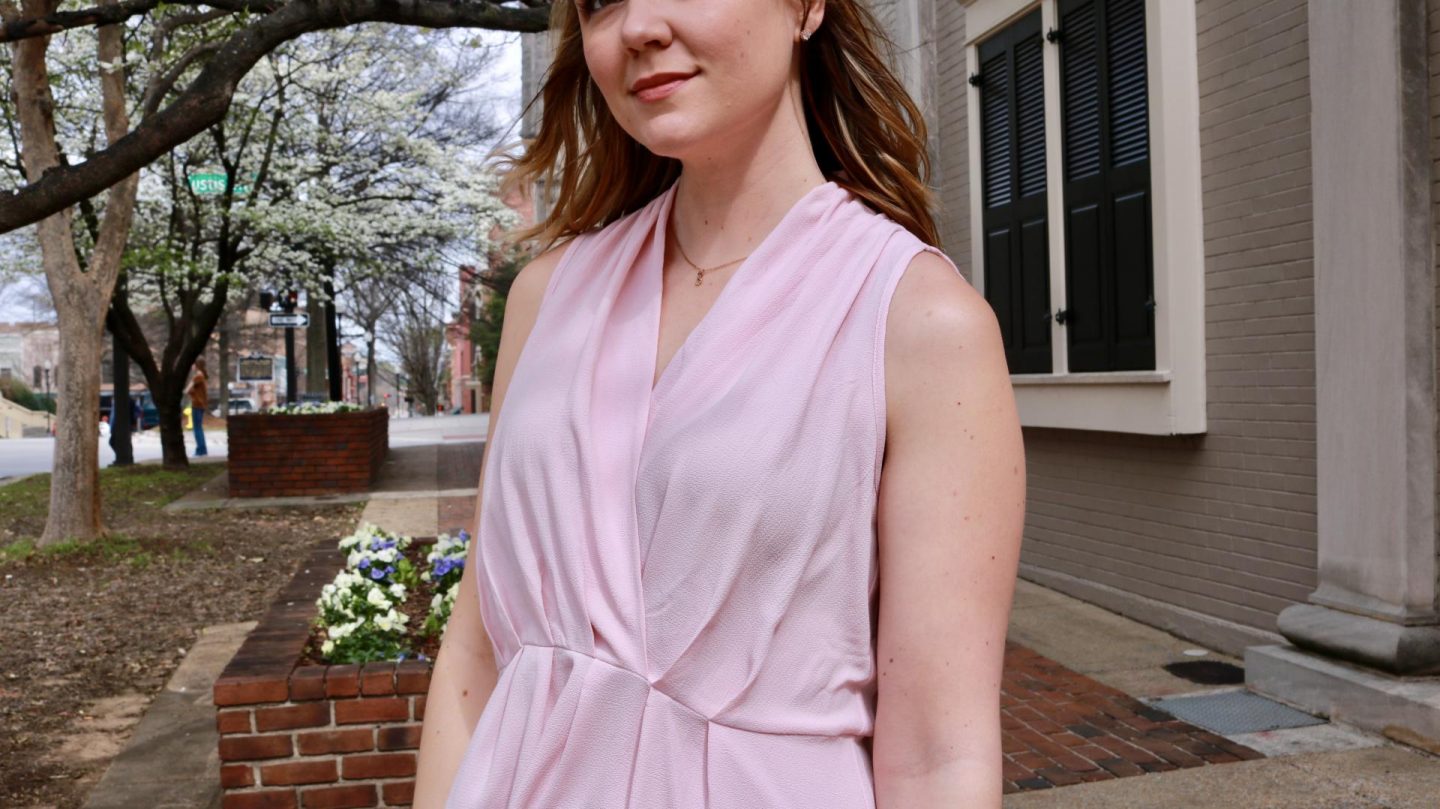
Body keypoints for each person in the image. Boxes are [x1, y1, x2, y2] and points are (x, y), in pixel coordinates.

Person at [412, 0, 1026, 805]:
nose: (636, 27)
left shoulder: (918, 324)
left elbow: (940, 756)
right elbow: (476, 655)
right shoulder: (545, 298)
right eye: (600, 3)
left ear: (806, 8)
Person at [188, 358, 209, 457]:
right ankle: (203, 449)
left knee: (197, 428)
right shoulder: (202, 376)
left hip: (197, 404)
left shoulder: (198, 377)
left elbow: (188, 389)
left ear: (196, 365)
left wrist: (189, 391)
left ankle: (200, 450)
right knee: (199, 427)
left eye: (193, 364)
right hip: (201, 404)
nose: (192, 366)